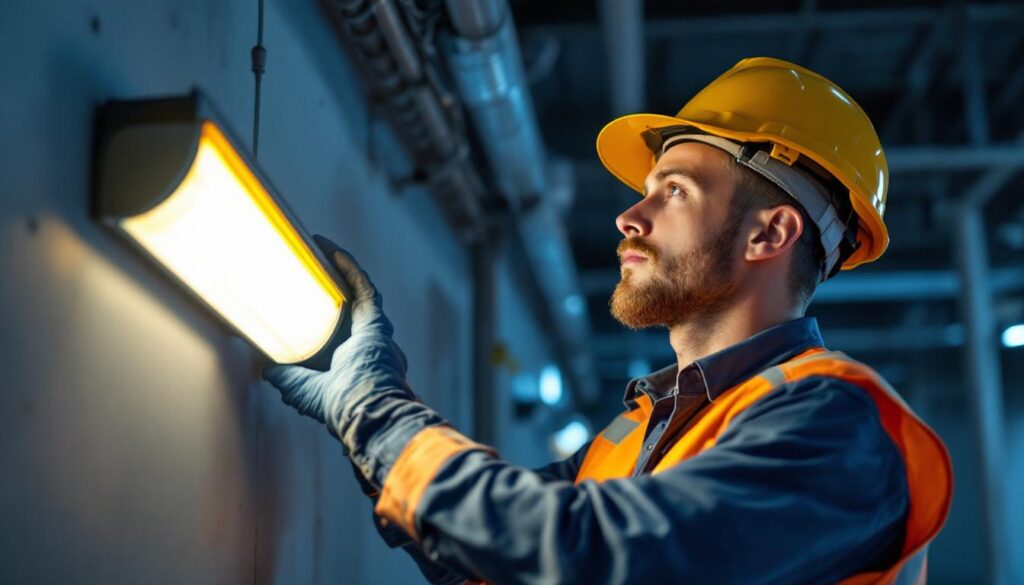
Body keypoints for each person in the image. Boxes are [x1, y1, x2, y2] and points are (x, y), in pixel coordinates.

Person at [264, 57, 952, 584]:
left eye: (674, 189)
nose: (630, 215)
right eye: (644, 191)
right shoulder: (638, 430)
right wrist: (356, 409)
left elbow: (591, 553)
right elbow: (492, 554)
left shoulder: (834, 427)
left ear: (767, 234)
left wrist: (374, 409)